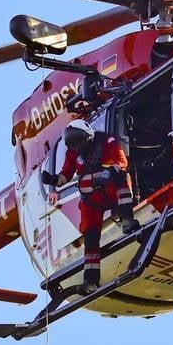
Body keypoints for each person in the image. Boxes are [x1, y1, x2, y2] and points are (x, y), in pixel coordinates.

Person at [42, 120, 140, 292]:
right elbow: (65, 175)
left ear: (88, 135)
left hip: (109, 189)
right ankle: (91, 280)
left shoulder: (106, 142)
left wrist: (109, 172)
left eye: (78, 140)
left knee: (122, 179)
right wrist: (52, 180)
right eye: (72, 142)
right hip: (91, 200)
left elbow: (122, 162)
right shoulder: (73, 153)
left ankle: (127, 220)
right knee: (91, 238)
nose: (77, 145)